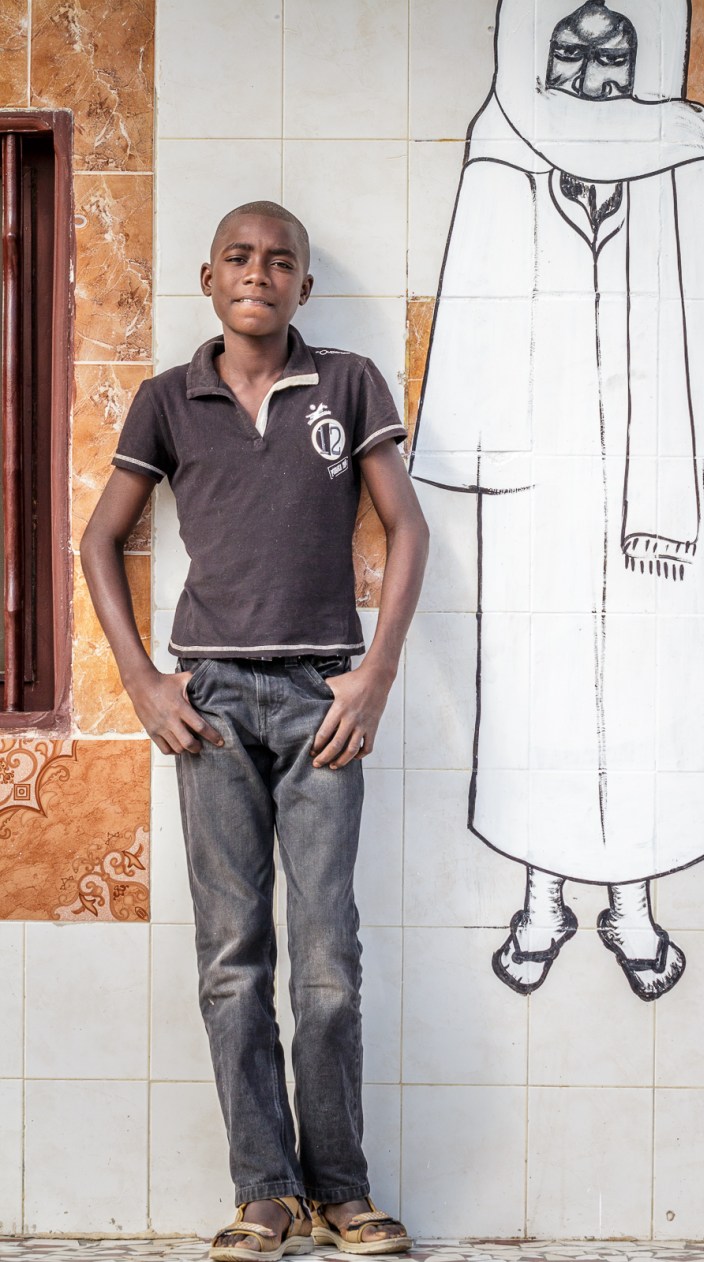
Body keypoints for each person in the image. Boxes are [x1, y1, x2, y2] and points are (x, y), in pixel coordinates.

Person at [409, 0, 704, 1001]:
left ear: (647, 57)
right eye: (570, 48)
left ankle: (629, 901)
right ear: (535, 53)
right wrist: (472, 442)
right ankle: (540, 897)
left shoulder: (685, 143)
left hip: (652, 479)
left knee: (650, 692)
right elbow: (471, 306)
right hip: (539, 483)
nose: (592, 71)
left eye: (615, 49)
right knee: (534, 691)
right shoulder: (500, 141)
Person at [82, 201, 428, 1257]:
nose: (259, 272)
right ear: (208, 275)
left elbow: (406, 524)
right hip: (214, 705)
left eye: (281, 261)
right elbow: (99, 542)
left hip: (322, 696)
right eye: (239, 256)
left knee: (328, 960)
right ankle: (264, 1191)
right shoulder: (165, 400)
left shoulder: (349, 383)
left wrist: (372, 675)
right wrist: (145, 680)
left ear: (303, 289)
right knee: (233, 957)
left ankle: (343, 1188)